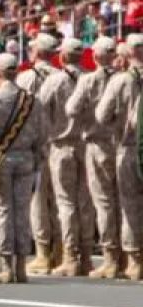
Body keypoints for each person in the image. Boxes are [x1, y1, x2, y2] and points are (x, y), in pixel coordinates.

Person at [0, 53, 47, 283]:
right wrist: (38, 162)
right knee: (22, 210)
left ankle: (6, 266)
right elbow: (42, 136)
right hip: (26, 159)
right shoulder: (33, 101)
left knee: (3, 211)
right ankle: (22, 266)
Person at [65, 37, 121, 278]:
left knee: (103, 202)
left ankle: (110, 257)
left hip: (97, 143)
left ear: (96, 56)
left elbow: (72, 108)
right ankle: (129, 257)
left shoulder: (89, 80)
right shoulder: (125, 78)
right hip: (120, 143)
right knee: (125, 203)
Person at [38, 38, 94, 276]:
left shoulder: (56, 80)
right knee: (86, 202)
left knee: (66, 203)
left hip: (61, 145)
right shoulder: (91, 79)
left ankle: (70, 256)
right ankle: (87, 255)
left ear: (62, 57)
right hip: (86, 144)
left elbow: (40, 110)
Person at [94, 33, 143, 281]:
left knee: (131, 205)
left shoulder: (120, 81)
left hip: (129, 146)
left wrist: (118, 125)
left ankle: (135, 261)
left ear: (126, 56)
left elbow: (102, 116)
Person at [16, 34, 61, 274]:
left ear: (38, 52)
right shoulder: (65, 76)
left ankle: (44, 252)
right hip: (63, 140)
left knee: (39, 200)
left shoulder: (26, 78)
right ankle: (62, 251)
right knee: (64, 201)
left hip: (38, 144)